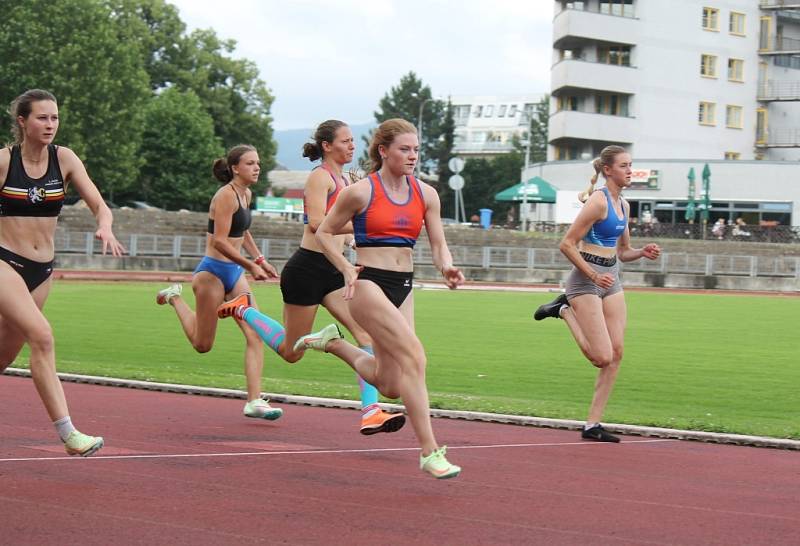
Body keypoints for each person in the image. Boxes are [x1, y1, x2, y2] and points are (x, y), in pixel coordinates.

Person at [295, 118, 465, 479]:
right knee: (415, 357)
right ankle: (429, 451)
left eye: (416, 149)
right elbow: (323, 232)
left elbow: (439, 246)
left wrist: (448, 267)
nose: (412, 156)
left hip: (403, 285)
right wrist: (344, 267)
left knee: (389, 383)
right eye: (405, 149)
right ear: (383, 150)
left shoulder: (426, 194)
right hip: (367, 283)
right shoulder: (360, 193)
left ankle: (333, 344)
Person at [217, 120, 405, 435]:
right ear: (327, 146)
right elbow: (318, 224)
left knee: (365, 334)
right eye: (345, 141)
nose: (351, 146)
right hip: (306, 270)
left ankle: (371, 411)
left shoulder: (348, 179)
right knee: (291, 353)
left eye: (353, 141)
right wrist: (362, 227)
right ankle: (242, 308)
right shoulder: (319, 178)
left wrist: (361, 236)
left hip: (335, 268)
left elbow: (352, 222)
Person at [0, 89, 125, 456]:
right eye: (42, 117)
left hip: (42, 270)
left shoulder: (65, 159)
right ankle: (69, 434)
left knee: (4, 356)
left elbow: (100, 205)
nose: (50, 124)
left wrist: (105, 225)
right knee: (42, 336)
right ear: (22, 121)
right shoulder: (5, 162)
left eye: (54, 117)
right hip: (5, 260)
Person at [534, 145, 661, 443]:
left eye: (631, 165)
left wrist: (642, 251)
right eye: (624, 166)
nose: (630, 171)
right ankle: (563, 311)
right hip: (586, 279)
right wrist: (592, 275)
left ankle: (593, 425)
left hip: (611, 277)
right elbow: (566, 243)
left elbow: (623, 251)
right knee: (601, 356)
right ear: (608, 170)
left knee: (616, 354)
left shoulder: (624, 205)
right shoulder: (598, 202)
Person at [156, 144, 284, 421]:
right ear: (235, 168)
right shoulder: (225, 196)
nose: (257, 167)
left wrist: (260, 260)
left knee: (255, 332)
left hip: (235, 274)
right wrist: (250, 265)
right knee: (203, 345)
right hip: (212, 273)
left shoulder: (246, 193)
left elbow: (243, 231)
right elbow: (220, 241)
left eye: (258, 162)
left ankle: (254, 401)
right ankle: (174, 298)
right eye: (250, 163)